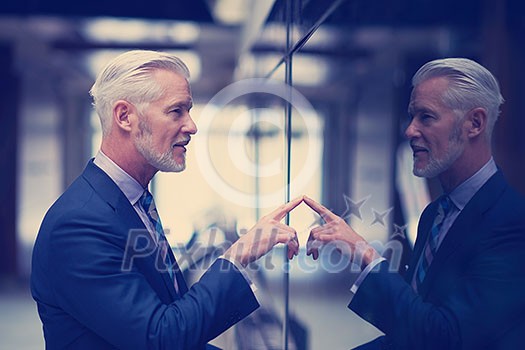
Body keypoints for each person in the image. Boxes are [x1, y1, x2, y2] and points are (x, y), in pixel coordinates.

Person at [30, 50, 301, 350]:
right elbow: (161, 338)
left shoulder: (132, 202)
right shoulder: (78, 226)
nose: (192, 126)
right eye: (176, 111)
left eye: (189, 110)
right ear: (125, 116)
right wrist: (237, 257)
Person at [303, 58, 525, 349]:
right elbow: (411, 331)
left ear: (475, 123)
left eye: (426, 117)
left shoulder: (512, 224)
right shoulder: (436, 213)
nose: (409, 130)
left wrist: (366, 255)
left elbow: (444, 338)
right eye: (412, 116)